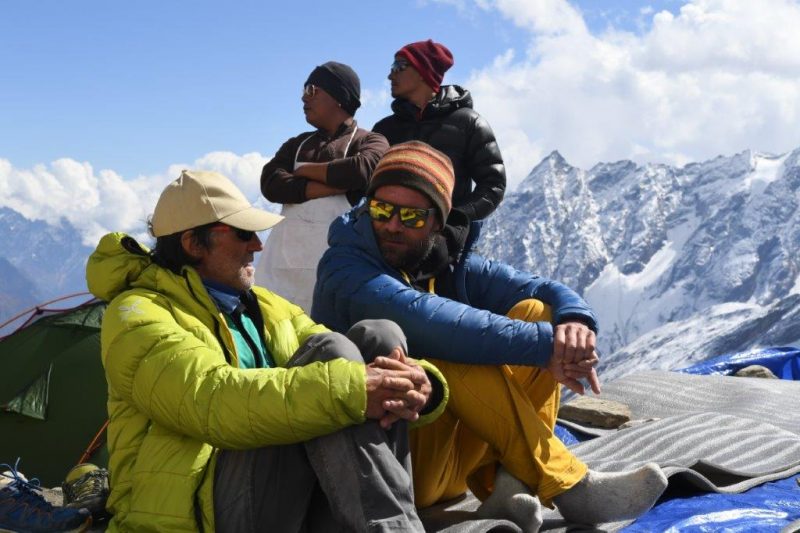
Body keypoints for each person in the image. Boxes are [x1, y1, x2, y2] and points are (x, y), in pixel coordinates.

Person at [312, 142, 668, 532]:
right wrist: (550, 346)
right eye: (382, 210)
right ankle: (570, 485)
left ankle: (509, 484)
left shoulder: (447, 259)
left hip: (453, 463)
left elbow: (542, 289)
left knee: (538, 312)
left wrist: (576, 323)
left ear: (437, 222)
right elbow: (431, 323)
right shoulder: (345, 266)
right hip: (390, 466)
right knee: (448, 353)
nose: (393, 225)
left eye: (411, 216)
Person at [86, 170, 449, 532]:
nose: (258, 245)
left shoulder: (263, 305)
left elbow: (343, 358)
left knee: (379, 337)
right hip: (202, 513)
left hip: (279, 497)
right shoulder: (137, 313)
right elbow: (210, 401)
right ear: (193, 244)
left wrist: (421, 385)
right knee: (335, 370)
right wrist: (352, 389)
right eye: (244, 233)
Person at [257, 61, 389, 312]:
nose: (303, 98)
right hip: (281, 274)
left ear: (338, 97)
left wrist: (302, 171)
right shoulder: (297, 144)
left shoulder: (369, 140)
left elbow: (364, 169)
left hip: (338, 270)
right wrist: (331, 186)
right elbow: (270, 183)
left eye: (311, 90)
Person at [373, 40, 506, 261]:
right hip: (387, 247)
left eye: (398, 66)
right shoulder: (384, 129)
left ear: (424, 72)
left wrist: (452, 221)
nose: (390, 75)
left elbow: (493, 185)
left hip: (447, 253)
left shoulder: (469, 123)